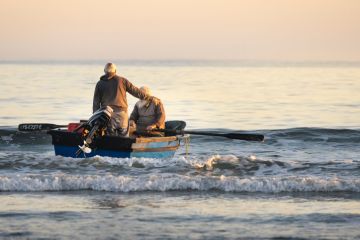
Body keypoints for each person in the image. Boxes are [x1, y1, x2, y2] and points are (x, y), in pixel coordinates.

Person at [93, 63, 157, 136]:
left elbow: (96, 103)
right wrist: (149, 97)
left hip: (109, 115)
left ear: (104, 71)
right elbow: (136, 92)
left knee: (111, 138)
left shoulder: (99, 84)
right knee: (123, 138)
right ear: (115, 71)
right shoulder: (122, 80)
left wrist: (96, 118)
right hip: (122, 114)